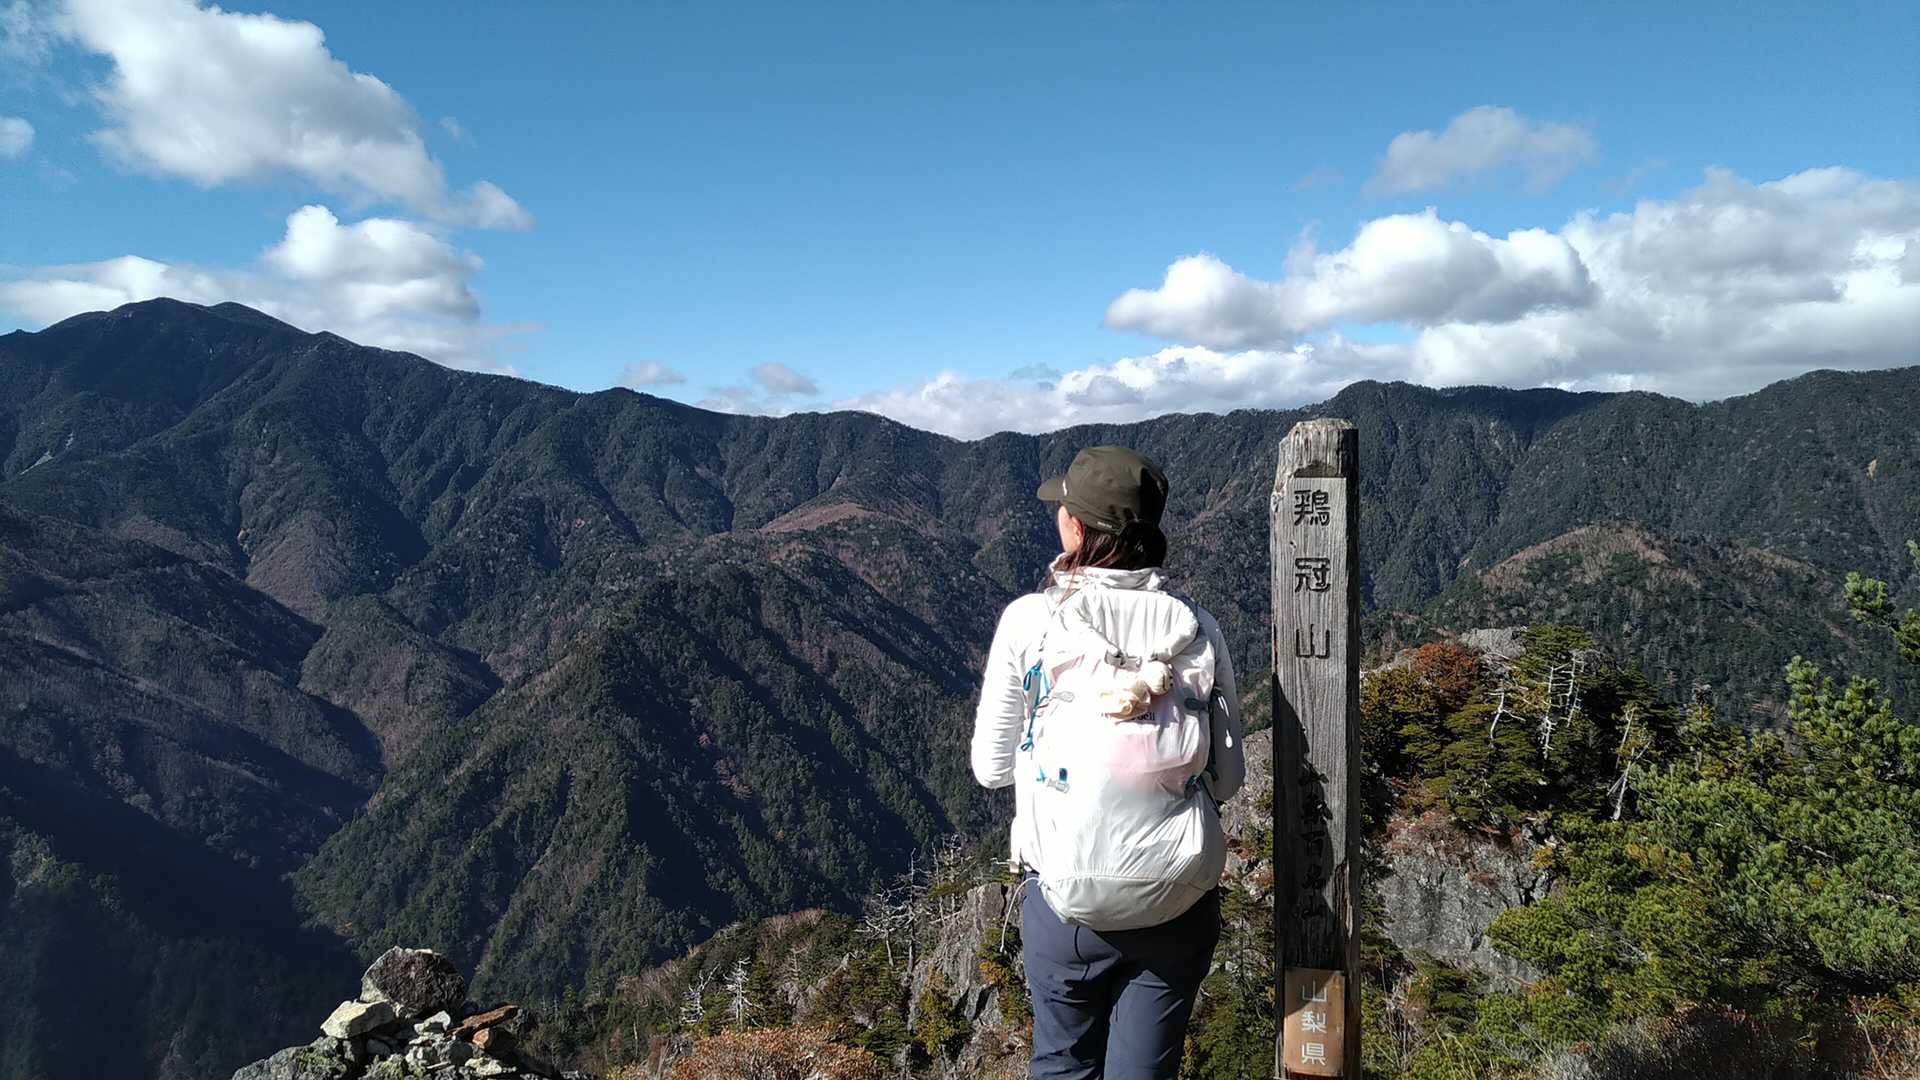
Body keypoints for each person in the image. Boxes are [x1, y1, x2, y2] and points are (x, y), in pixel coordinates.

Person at [970, 445, 1246, 1079]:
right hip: (1177, 899)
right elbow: (1229, 778)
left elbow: (991, 767)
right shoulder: (1196, 629)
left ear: (1076, 527)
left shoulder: (1030, 622)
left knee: (1063, 1064)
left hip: (1065, 903)